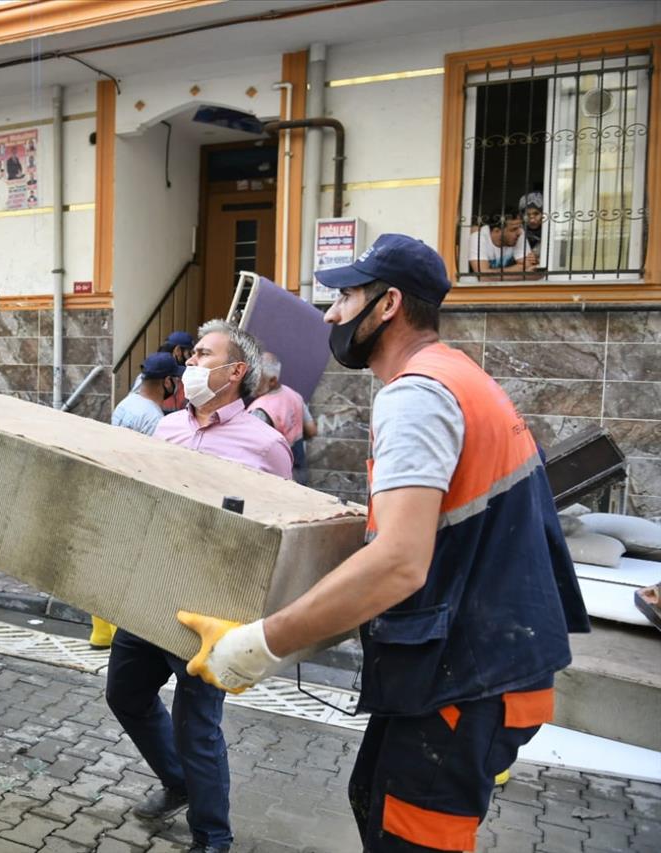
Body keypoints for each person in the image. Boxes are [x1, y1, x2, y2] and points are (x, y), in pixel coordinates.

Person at [178, 233, 589, 853]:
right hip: (484, 670)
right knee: (372, 798)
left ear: (389, 304)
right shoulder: (459, 376)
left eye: (345, 297)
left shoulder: (417, 395)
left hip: (465, 681)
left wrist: (257, 646)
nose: (331, 315)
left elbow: (399, 562)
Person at [107, 320, 290, 853]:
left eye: (203, 355)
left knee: (198, 724)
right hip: (153, 589)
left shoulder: (265, 444)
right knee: (125, 693)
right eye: (190, 358)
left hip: (212, 605)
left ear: (236, 372)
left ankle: (213, 837)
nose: (189, 365)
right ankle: (178, 781)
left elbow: (280, 528)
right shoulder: (167, 429)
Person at [90, 352, 186, 648]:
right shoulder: (154, 418)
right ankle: (121, 635)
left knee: (108, 564)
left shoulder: (126, 404)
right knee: (128, 569)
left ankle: (101, 633)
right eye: (177, 381)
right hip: (137, 498)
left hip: (116, 489)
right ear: (167, 381)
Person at [247, 352, 316, 484]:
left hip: (277, 477)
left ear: (272, 380)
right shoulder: (294, 395)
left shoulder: (260, 410)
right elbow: (312, 430)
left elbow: (250, 453)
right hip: (300, 470)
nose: (250, 382)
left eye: (256, 377)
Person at [468, 212, 539, 277]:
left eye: (519, 228)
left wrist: (492, 273)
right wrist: (519, 270)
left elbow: (528, 266)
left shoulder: (519, 233)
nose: (519, 233)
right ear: (497, 231)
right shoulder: (478, 237)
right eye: (513, 230)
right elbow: (483, 275)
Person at [518, 191, 544, 257]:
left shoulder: (547, 230)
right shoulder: (519, 230)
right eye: (528, 214)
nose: (532, 219)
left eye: (536, 214)